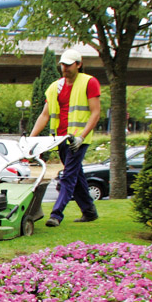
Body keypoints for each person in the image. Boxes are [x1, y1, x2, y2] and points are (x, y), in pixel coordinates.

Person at [26, 48, 102, 227]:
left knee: (68, 176)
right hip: (60, 139)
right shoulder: (55, 87)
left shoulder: (89, 82)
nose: (65, 68)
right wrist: (31, 138)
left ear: (78, 65)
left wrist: (82, 137)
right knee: (76, 175)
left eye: (68, 65)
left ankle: (56, 215)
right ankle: (89, 211)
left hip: (77, 139)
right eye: (62, 65)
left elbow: (95, 112)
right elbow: (45, 115)